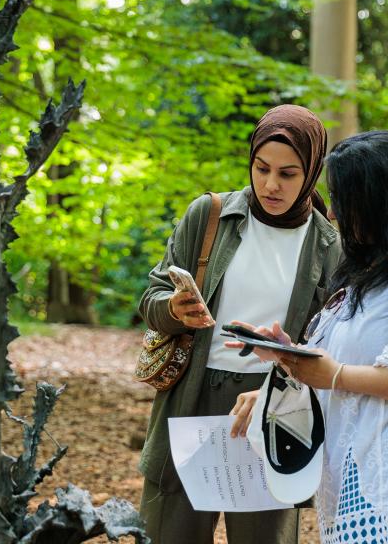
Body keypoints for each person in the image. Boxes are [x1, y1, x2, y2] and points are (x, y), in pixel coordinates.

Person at [229, 130, 388, 544]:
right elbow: (345, 371)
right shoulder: (372, 271)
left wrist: (334, 375)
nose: (332, 214)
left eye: (344, 201)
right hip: (353, 488)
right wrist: (289, 359)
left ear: (380, 203)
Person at [137, 105, 342, 544]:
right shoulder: (209, 216)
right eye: (261, 168)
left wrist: (283, 381)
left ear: (311, 174)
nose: (271, 184)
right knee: (168, 534)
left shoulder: (328, 247)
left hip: (271, 409)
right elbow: (150, 299)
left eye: (288, 174)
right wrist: (175, 310)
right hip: (192, 398)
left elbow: (331, 343)